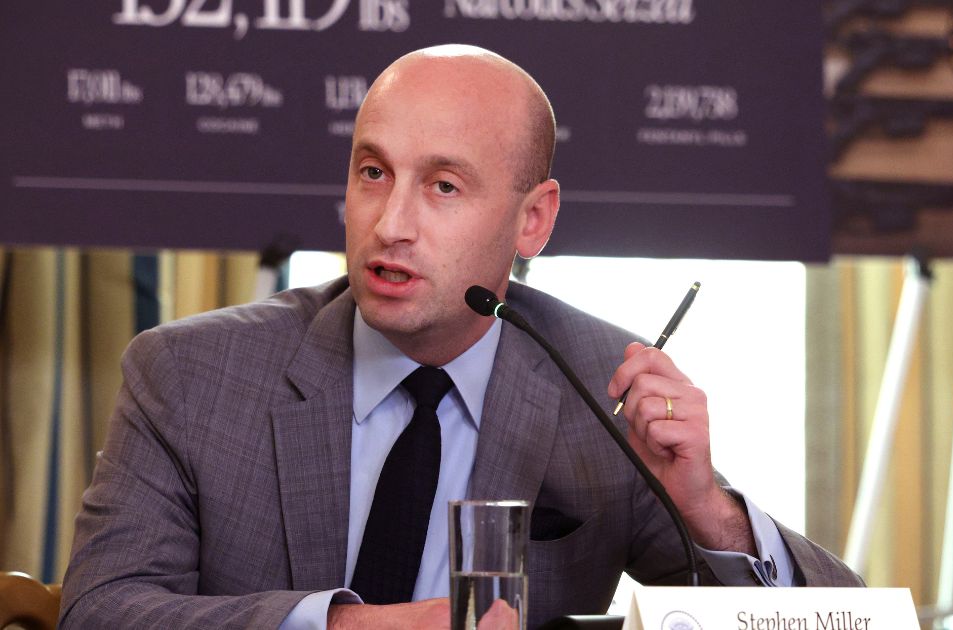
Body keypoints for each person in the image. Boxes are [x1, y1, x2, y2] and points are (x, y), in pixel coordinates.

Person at [59, 45, 861, 629]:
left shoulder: (596, 388)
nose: (391, 224)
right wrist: (345, 629)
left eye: (443, 186)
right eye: (373, 173)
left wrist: (707, 512)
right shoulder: (192, 372)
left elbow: (847, 623)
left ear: (533, 220)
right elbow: (101, 611)